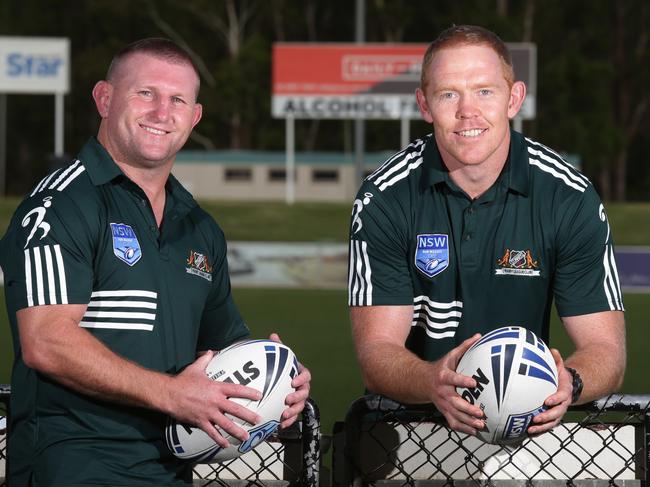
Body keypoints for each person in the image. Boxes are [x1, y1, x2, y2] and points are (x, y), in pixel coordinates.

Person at [0, 38, 311, 486]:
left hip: (171, 475)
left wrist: (281, 380)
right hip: (74, 471)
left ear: (195, 116)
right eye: (145, 93)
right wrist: (171, 394)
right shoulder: (60, 205)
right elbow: (46, 342)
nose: (162, 112)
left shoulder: (199, 227)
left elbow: (223, 347)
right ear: (104, 98)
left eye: (178, 99)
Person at [348, 25, 625, 438]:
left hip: (525, 432)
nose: (467, 111)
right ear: (424, 105)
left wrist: (572, 381)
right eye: (448, 94)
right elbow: (377, 352)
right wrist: (432, 381)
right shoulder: (384, 198)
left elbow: (606, 350)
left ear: (514, 98)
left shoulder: (567, 196)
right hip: (407, 431)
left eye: (484, 91)